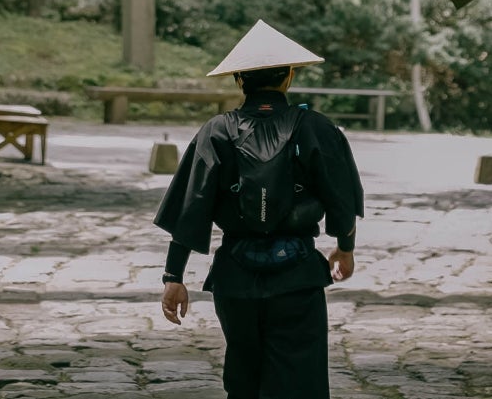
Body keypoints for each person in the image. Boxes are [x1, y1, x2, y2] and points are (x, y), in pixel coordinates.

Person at [152, 20, 365, 399]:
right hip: (297, 275)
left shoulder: (216, 131)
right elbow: (342, 197)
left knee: (244, 378)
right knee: (300, 379)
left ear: (239, 81)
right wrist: (345, 247)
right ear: (288, 77)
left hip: (236, 277)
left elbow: (191, 206)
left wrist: (174, 276)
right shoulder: (315, 127)